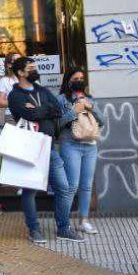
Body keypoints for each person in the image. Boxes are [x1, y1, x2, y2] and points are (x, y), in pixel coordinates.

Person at [8, 57, 83, 243]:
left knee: (64, 188)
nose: (35, 70)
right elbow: (28, 114)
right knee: (30, 190)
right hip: (30, 147)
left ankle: (63, 228)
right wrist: (41, 111)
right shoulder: (14, 95)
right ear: (20, 73)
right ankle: (34, 229)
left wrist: (38, 110)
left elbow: (57, 110)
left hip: (49, 147)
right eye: (31, 68)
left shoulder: (41, 90)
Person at [57, 68, 104, 235]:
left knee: (86, 185)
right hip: (70, 145)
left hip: (90, 145)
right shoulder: (61, 99)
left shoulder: (89, 98)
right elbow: (57, 123)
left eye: (82, 78)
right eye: (75, 78)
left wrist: (91, 108)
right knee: (72, 185)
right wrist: (73, 112)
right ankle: (64, 222)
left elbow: (102, 121)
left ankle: (83, 221)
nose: (79, 81)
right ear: (68, 81)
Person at [0, 52, 21, 132]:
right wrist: (19, 102)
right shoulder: (4, 80)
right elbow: (1, 102)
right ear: (9, 65)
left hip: (28, 115)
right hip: (11, 116)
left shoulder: (28, 79)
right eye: (17, 60)